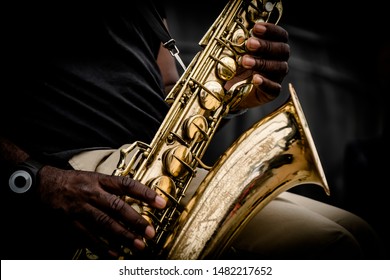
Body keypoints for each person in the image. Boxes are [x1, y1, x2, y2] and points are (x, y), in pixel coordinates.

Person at [1, 1, 384, 260]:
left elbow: (167, 85)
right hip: (72, 164)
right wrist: (36, 178)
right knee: (332, 245)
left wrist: (231, 89)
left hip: (148, 163)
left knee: (359, 230)